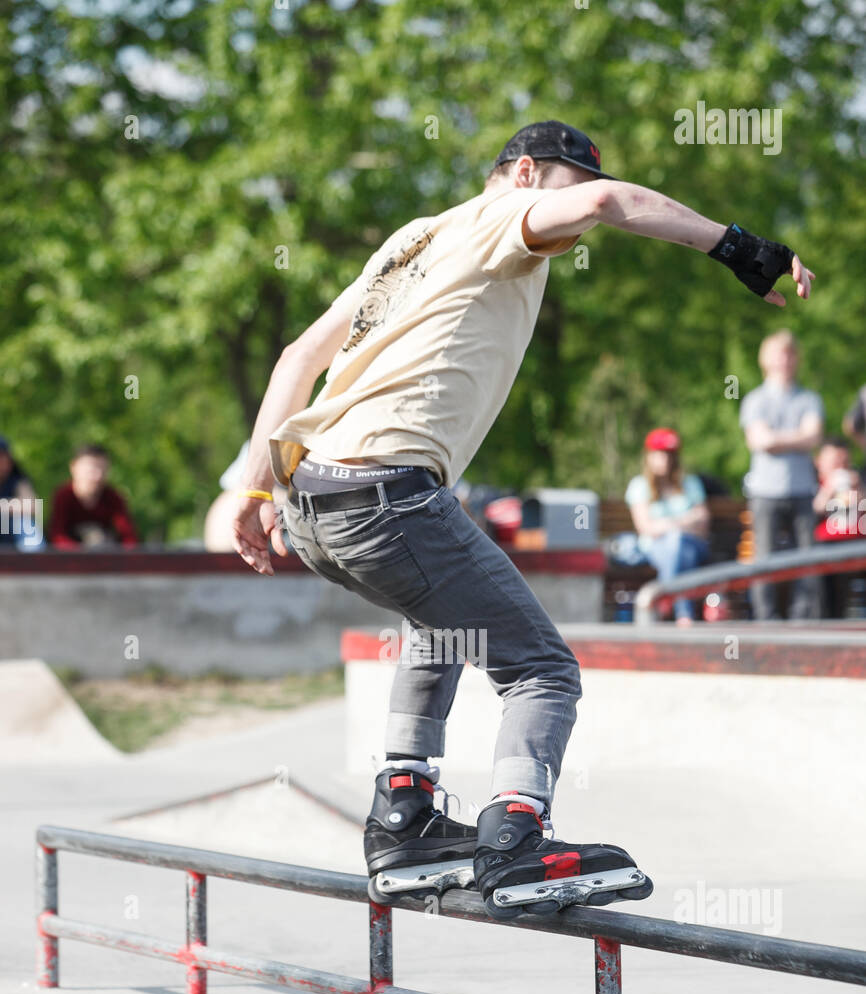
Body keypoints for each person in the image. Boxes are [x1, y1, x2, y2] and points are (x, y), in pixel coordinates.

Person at [228, 118, 814, 920]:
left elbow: (299, 355)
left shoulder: (410, 240)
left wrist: (256, 494)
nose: (575, 230)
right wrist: (741, 249)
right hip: (386, 493)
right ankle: (517, 835)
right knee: (543, 670)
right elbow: (610, 200)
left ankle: (404, 810)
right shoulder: (508, 216)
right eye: (565, 200)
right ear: (529, 173)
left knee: (443, 622)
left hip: (313, 499)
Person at [739, 331, 824, 620]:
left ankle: (804, 621)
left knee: (808, 561)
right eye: (779, 353)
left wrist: (777, 440)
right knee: (764, 559)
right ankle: (767, 621)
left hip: (802, 490)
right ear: (766, 359)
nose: (785, 360)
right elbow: (760, 441)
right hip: (765, 492)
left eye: (790, 354)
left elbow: (813, 438)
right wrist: (797, 437)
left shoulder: (810, 398)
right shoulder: (755, 400)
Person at [625, 427, 710, 625]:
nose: (666, 460)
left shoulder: (689, 483)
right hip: (654, 549)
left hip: (692, 546)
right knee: (676, 546)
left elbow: (703, 525)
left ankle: (664, 601)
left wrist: (668, 526)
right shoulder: (640, 485)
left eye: (670, 455)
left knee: (679, 545)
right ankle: (683, 613)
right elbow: (645, 527)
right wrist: (684, 521)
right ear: (649, 456)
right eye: (660, 454)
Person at [49, 445, 138, 549]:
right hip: (72, 560)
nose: (98, 476)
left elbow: (129, 537)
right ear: (74, 468)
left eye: (103, 469)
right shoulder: (63, 495)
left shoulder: (113, 497)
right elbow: (57, 536)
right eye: (91, 470)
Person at [0, 435, 38, 548]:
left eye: (2, 457)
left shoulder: (17, 480)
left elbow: (32, 506)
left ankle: (35, 563)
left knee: (25, 524)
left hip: (13, 536)